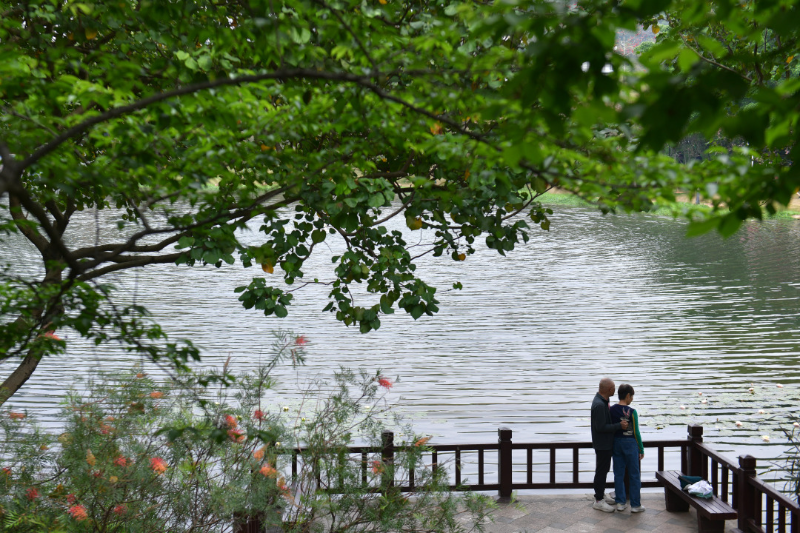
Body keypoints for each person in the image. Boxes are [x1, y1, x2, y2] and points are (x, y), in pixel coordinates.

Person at [591, 378, 628, 512]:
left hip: (605, 443)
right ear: (608, 389)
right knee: (601, 471)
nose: (615, 390)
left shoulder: (603, 401)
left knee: (603, 470)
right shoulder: (599, 405)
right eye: (613, 388)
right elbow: (600, 427)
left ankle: (601, 495)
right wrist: (619, 425)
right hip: (602, 444)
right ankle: (598, 501)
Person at [609, 384, 645, 513]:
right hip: (630, 444)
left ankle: (620, 503)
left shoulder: (611, 410)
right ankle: (635, 505)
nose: (632, 399)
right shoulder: (632, 411)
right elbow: (636, 432)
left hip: (616, 443)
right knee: (634, 475)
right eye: (632, 396)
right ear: (628, 395)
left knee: (618, 474)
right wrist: (641, 449)